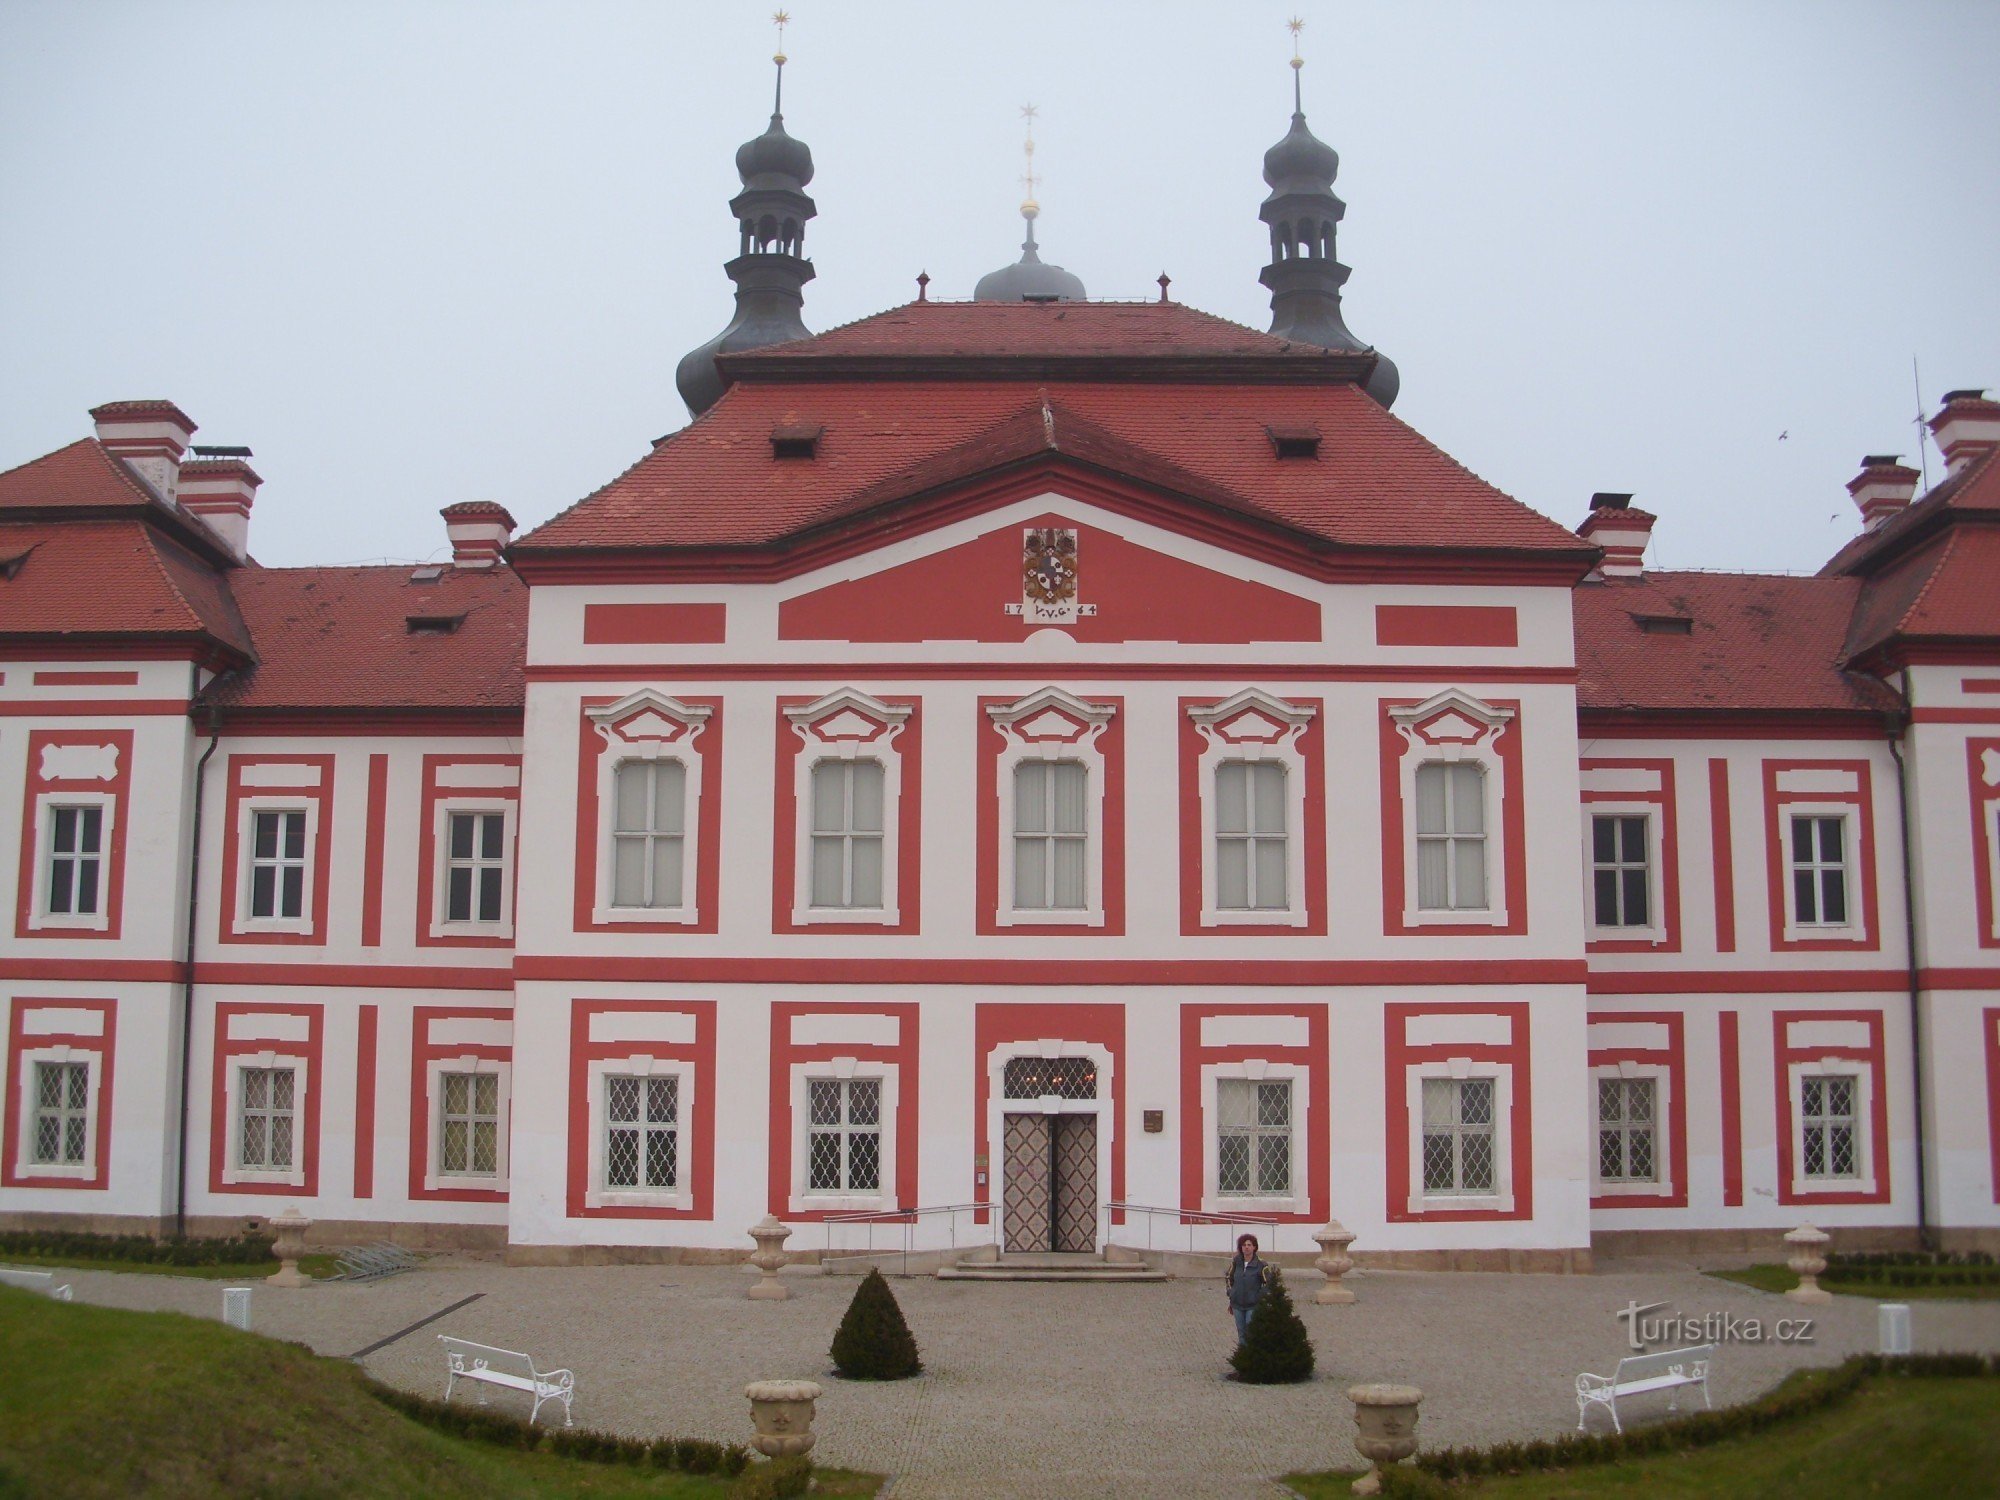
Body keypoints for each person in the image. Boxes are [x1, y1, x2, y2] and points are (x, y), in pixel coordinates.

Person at [1225, 1233, 1273, 1346]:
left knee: (1250, 1331)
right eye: (1244, 1245)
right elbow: (1228, 1277)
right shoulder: (1236, 1262)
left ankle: (1251, 1356)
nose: (1246, 1247)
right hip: (1237, 1304)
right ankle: (1243, 1357)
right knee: (1241, 1332)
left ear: (1254, 1247)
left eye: (1249, 1245)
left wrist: (1259, 1296)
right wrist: (1231, 1292)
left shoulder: (1261, 1264)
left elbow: (1269, 1283)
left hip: (1253, 1305)